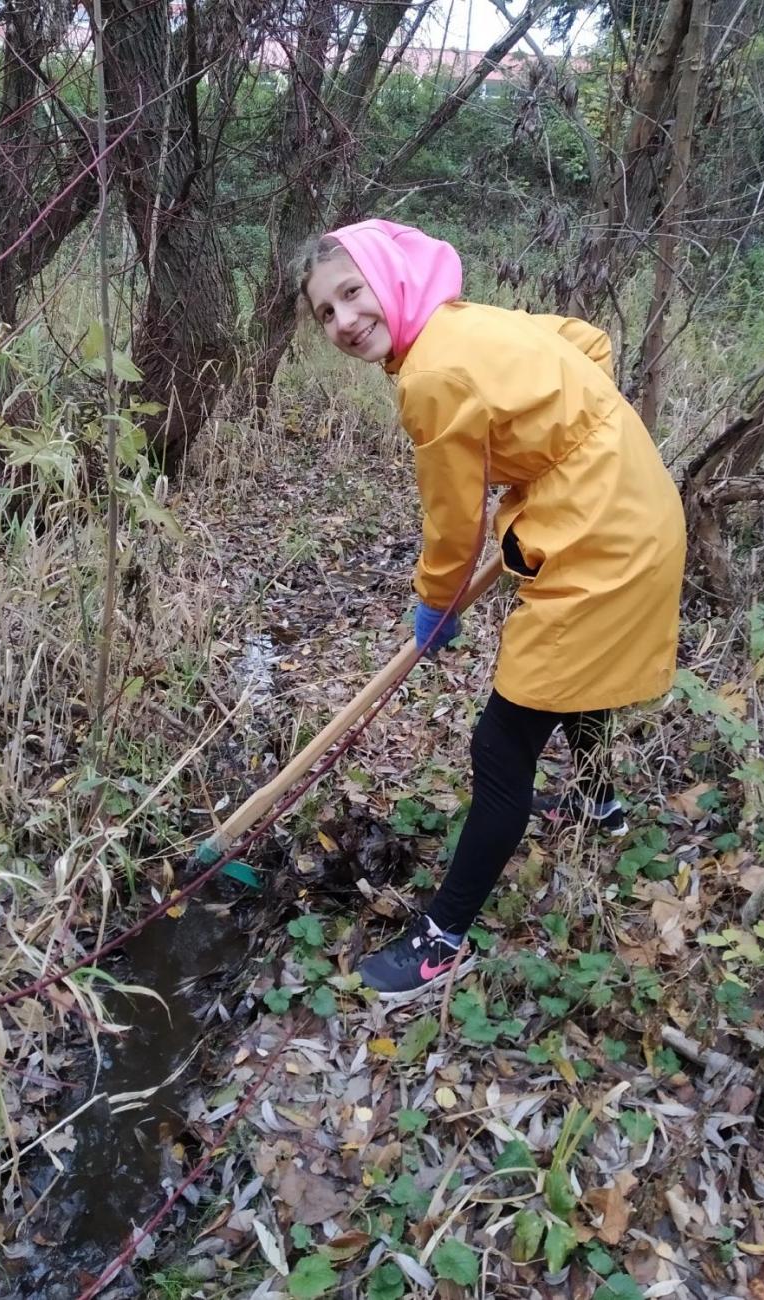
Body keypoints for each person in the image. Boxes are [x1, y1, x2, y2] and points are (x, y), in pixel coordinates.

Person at [298, 220, 685, 1006]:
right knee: (578, 674)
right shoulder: (460, 321)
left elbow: (452, 520)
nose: (342, 321)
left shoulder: (430, 374)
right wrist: (552, 451)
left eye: (350, 293)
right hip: (629, 498)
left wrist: (436, 603)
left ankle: (441, 940)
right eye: (324, 313)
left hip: (601, 534)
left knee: (503, 741)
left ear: (390, 279)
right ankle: (599, 802)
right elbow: (587, 340)